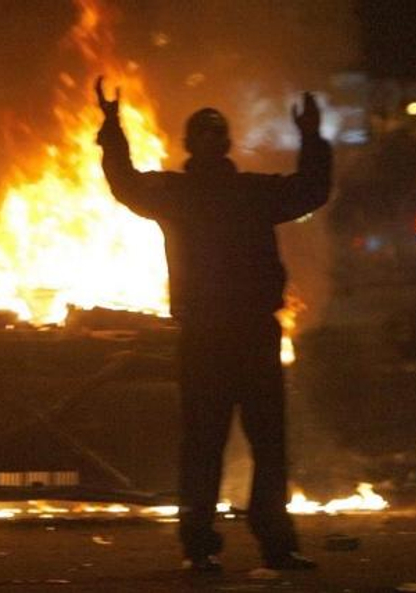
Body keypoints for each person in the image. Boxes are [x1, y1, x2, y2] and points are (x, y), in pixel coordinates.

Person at [94, 76, 331, 572]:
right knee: (204, 446)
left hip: (249, 333)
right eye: (203, 131)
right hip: (207, 335)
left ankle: (275, 544)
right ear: (192, 143)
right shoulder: (179, 193)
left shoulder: (242, 193)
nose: (209, 138)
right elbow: (125, 184)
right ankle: (201, 548)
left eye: (215, 131)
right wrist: (112, 130)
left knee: (265, 446)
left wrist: (312, 137)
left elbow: (311, 190)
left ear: (223, 142)